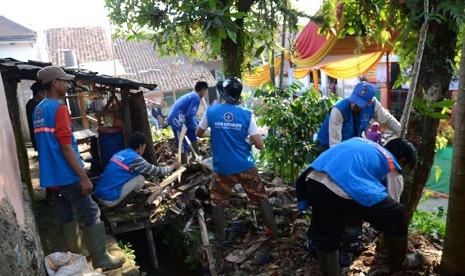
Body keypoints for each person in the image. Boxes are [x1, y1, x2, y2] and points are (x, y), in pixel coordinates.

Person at [33, 66, 125, 270]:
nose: (67, 84)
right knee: (91, 211)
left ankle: (77, 255)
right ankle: (101, 258)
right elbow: (65, 146)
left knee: (67, 213)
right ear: (55, 82)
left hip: (52, 175)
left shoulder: (38, 109)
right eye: (64, 81)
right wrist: (83, 176)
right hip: (67, 173)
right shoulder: (59, 109)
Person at [296, 138, 424, 275]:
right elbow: (391, 207)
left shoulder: (363, 142)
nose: (403, 171)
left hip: (314, 179)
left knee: (327, 236)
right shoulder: (392, 165)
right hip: (343, 184)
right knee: (397, 214)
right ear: (403, 161)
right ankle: (400, 264)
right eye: (406, 169)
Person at [197, 77, 278, 240]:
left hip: (223, 169)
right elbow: (260, 145)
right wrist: (247, 140)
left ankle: (220, 239)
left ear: (223, 94)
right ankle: (275, 235)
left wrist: (216, 133)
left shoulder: (211, 112)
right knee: (261, 196)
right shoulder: (247, 114)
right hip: (245, 166)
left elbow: (199, 133)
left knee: (217, 199)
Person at [95, 131, 180, 208]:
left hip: (99, 194)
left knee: (138, 177)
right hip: (109, 199)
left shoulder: (121, 153)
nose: (144, 149)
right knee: (140, 179)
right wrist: (172, 167)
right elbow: (157, 171)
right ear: (140, 146)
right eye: (144, 146)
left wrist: (147, 184)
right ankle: (121, 206)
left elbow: (122, 175)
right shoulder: (136, 159)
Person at [316, 81, 401, 155]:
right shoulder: (338, 110)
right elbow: (334, 146)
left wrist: (403, 133)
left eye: (359, 103)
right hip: (327, 147)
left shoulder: (374, 105)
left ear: (369, 102)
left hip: (350, 145)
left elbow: (389, 120)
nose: (354, 105)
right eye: (354, 100)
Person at [168, 81, 208, 163]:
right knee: (182, 143)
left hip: (182, 117)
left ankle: (197, 157)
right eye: (205, 91)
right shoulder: (196, 97)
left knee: (192, 134)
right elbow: (190, 115)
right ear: (203, 90)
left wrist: (198, 124)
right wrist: (197, 127)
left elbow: (191, 116)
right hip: (177, 120)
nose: (205, 93)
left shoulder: (192, 95)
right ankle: (184, 165)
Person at [26, 81, 45, 151]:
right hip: (39, 137)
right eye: (44, 93)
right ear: (39, 93)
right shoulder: (32, 106)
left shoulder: (33, 104)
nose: (45, 96)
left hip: (40, 137)